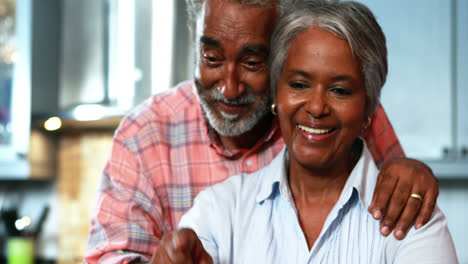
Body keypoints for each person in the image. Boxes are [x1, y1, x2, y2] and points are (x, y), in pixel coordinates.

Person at [84, 0, 440, 263]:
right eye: (211, 58)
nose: (230, 86)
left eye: (253, 62)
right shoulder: (147, 134)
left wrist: (414, 172)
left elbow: (400, 190)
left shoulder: (339, 117)